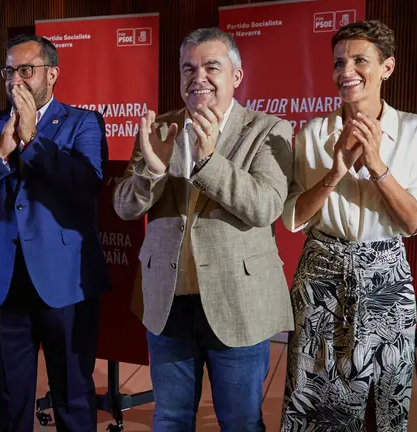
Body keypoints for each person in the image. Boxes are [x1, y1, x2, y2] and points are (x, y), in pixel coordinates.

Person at [113, 27, 293, 431]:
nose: (199, 78)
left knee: (240, 422)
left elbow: (265, 206)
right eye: (188, 68)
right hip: (169, 300)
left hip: (237, 300)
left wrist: (209, 161)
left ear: (236, 76)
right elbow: (124, 206)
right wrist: (152, 172)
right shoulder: (159, 129)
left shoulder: (268, 129)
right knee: (171, 418)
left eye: (212, 67)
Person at [0, 34, 110, 431]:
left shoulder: (83, 122)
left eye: (26, 70)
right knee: (12, 396)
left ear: (52, 74)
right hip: (5, 284)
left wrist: (32, 138)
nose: (15, 79)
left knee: (72, 395)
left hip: (66, 284)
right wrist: (0, 152)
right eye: (9, 71)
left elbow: (86, 186)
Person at [281, 20, 417, 431]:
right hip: (321, 276)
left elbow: (413, 221)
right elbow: (294, 217)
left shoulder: (415, 130)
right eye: (339, 62)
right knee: (315, 401)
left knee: (385, 402)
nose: (346, 71)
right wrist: (334, 173)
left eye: (359, 60)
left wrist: (377, 165)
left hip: (387, 281)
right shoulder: (313, 133)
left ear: (387, 68)